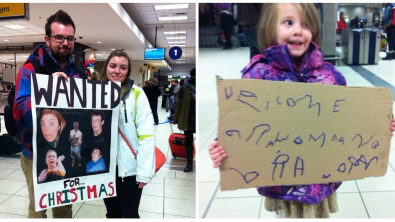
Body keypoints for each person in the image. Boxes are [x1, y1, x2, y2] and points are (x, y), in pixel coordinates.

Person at [13, 10, 86, 218]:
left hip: (65, 151)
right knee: (38, 210)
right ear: (47, 39)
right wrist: (47, 93)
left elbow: (85, 116)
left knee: (64, 209)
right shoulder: (29, 70)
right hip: (35, 154)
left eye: (69, 38)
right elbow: (19, 114)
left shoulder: (79, 74)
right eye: (59, 37)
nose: (65, 42)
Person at [97, 50, 155, 218]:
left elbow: (146, 135)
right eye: (113, 66)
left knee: (130, 213)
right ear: (106, 68)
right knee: (112, 213)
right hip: (103, 167)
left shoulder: (137, 94)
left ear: (127, 71)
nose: (117, 71)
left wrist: (144, 172)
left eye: (123, 68)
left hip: (130, 170)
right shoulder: (94, 92)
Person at [172, 68, 196, 173]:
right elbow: (179, 104)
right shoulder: (185, 88)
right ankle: (189, 163)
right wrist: (176, 118)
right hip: (188, 118)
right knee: (188, 141)